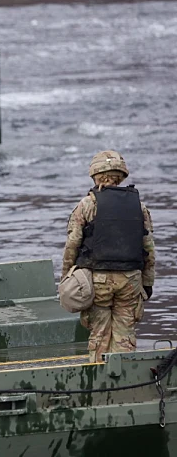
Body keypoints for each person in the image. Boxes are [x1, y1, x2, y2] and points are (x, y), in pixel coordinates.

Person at [61, 150, 155, 363]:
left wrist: (67, 276)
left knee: (99, 333)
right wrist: (147, 283)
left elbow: (72, 245)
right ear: (121, 176)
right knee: (125, 334)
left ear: (94, 174)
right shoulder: (139, 207)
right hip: (131, 280)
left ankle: (100, 380)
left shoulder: (87, 205)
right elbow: (148, 249)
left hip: (98, 280)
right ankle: (124, 380)